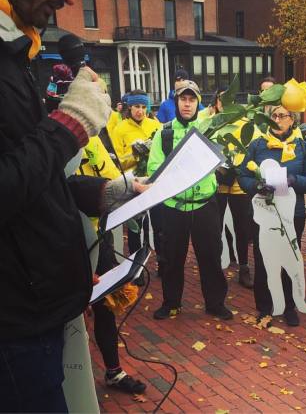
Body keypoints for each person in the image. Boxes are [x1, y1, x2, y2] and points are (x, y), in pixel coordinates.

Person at [0, 0, 137, 410]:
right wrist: (69, 126)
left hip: (37, 314)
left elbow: (30, 178)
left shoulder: (16, 52)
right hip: (14, 329)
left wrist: (106, 194)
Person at [148, 80, 232, 320]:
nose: (187, 104)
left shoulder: (209, 129)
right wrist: (178, 170)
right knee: (172, 258)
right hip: (174, 206)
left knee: (210, 257)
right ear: (176, 102)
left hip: (206, 205)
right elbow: (155, 168)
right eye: (183, 99)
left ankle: (215, 303)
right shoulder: (164, 132)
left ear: (198, 102)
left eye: (192, 99)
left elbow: (223, 162)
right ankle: (171, 303)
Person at [239, 105, 306, 327]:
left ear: (292, 120)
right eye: (273, 116)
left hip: (292, 214)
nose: (277, 120)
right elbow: (242, 176)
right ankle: (265, 306)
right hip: (263, 213)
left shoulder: (302, 147)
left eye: (282, 116)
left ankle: (289, 306)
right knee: (263, 260)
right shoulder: (257, 145)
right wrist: (256, 185)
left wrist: (294, 180)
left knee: (289, 260)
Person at [77, 137, 146, 395]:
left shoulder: (92, 140)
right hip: (64, 241)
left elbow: (113, 177)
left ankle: (113, 371)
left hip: (98, 238)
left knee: (106, 305)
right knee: (69, 314)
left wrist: (130, 189)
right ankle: (73, 379)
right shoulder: (44, 140)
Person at [111, 89, 162, 284]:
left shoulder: (154, 124)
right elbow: (117, 164)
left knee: (159, 226)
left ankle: (162, 263)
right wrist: (135, 155)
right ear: (129, 107)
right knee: (135, 229)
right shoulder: (120, 129)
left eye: (143, 107)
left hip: (153, 182)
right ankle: (136, 269)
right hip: (133, 184)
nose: (140, 111)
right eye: (136, 107)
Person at [214, 87, 257, 288]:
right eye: (221, 101)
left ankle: (244, 268)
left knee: (242, 229)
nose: (225, 104)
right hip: (219, 185)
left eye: (229, 100)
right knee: (215, 229)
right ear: (217, 104)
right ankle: (215, 267)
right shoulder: (212, 125)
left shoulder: (248, 125)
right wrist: (220, 169)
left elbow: (254, 151)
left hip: (240, 185)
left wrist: (239, 167)